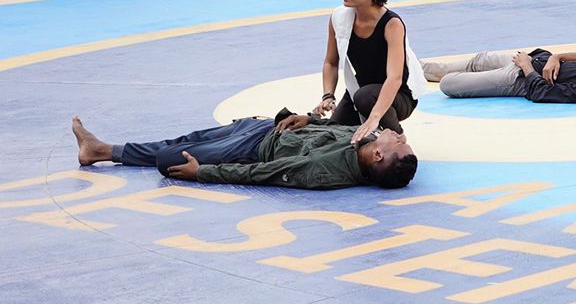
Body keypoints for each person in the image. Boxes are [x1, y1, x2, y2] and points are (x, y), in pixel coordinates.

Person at [71, 112, 417, 190]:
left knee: (170, 159)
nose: (395, 133)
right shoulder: (364, 139)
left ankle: (101, 151)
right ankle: (101, 150)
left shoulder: (322, 171)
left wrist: (202, 173)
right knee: (181, 140)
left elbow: (261, 174)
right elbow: (330, 124)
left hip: (254, 147)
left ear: (377, 156)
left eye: (396, 141)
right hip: (265, 126)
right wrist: (307, 116)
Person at [315, 0, 428, 136]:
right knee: (331, 136)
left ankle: (398, 139)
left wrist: (374, 117)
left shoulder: (392, 24)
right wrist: (328, 95)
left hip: (398, 96)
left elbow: (395, 78)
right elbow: (331, 62)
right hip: (359, 92)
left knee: (366, 97)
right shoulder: (339, 17)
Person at [423, 47, 576, 103]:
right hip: (535, 57)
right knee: (478, 60)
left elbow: (546, 93)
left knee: (450, 84)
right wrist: (557, 57)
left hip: (520, 78)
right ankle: (413, 67)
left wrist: (525, 67)